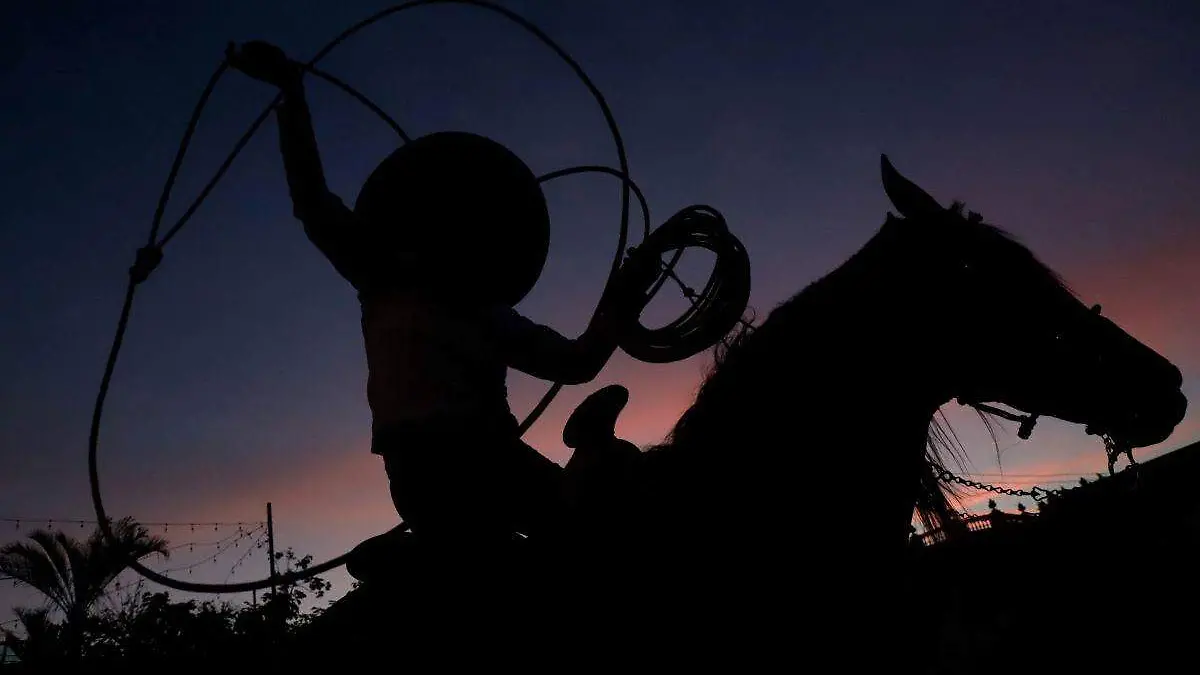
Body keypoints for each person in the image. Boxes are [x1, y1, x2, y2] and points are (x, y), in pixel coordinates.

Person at [225, 41, 660, 550]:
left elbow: (577, 362)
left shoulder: (467, 306)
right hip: (448, 465)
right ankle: (590, 455)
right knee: (556, 535)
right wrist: (291, 94)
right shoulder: (397, 284)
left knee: (569, 531)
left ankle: (591, 452)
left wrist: (630, 292)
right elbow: (313, 203)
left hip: (463, 462)